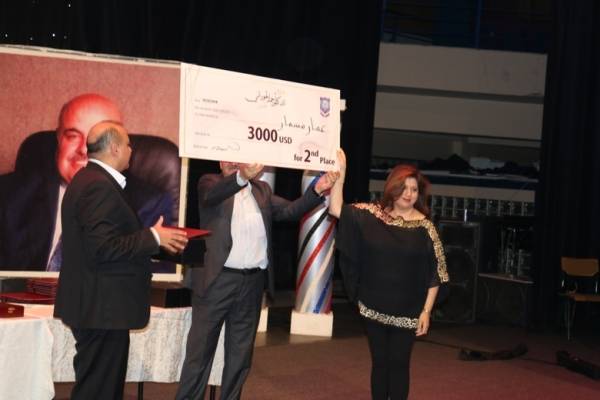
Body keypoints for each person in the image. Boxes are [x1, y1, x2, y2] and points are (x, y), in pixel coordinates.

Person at [175, 161, 338, 400]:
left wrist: (317, 189)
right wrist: (241, 176)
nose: (233, 162)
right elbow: (213, 195)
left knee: (240, 357)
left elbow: (290, 211)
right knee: (199, 354)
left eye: (239, 157)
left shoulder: (262, 190)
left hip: (251, 284)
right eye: (228, 157)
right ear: (220, 161)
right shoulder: (209, 183)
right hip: (216, 281)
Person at [53, 121, 188, 399]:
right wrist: (153, 237)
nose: (131, 150)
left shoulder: (90, 180)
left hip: (100, 306)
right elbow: (103, 247)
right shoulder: (98, 187)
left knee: (99, 387)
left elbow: (105, 242)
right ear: (114, 148)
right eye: (128, 144)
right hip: (102, 308)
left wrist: (155, 239)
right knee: (98, 391)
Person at [0, 93, 174, 271]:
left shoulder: (149, 206)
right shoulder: (9, 196)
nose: (84, 149)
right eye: (73, 136)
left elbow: (148, 281)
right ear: (59, 139)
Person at [329, 149, 449, 400]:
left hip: (408, 310)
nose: (409, 194)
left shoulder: (426, 228)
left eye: (414, 189)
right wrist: (341, 176)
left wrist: (426, 311)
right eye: (404, 188)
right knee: (380, 363)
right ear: (392, 188)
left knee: (399, 364)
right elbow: (336, 208)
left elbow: (436, 273)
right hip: (374, 306)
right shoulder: (373, 215)